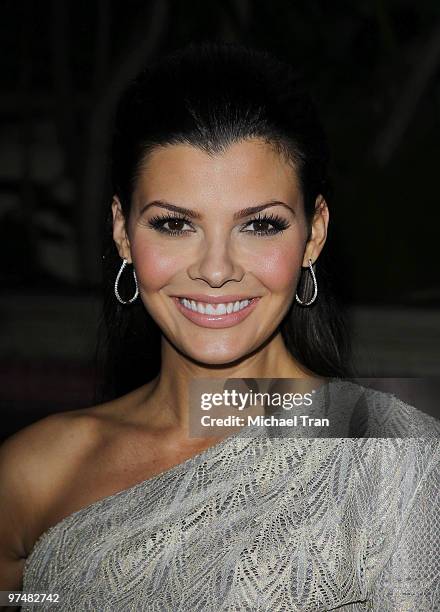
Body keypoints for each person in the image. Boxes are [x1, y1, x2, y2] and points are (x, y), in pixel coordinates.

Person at [0, 41, 438, 611]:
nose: (215, 270)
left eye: (259, 225)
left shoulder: (398, 463)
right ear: (122, 231)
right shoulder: (35, 473)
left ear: (314, 233)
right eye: (174, 224)